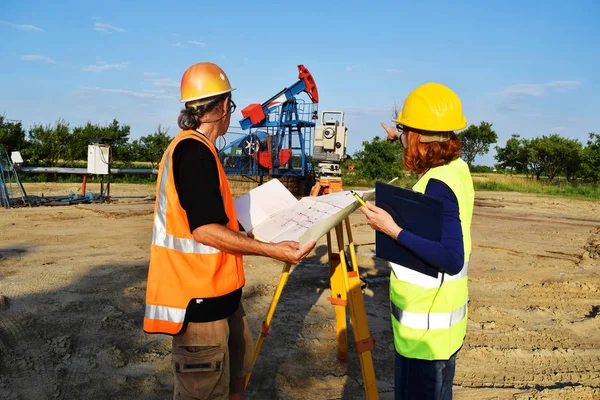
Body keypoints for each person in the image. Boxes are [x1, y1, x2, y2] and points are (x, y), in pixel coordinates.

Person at [143, 62, 315, 400]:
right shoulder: (191, 152)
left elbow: (212, 222)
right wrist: (273, 249)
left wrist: (244, 234)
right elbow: (205, 231)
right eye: (230, 107)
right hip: (198, 306)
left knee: (235, 383)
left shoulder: (202, 150)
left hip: (221, 298)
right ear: (223, 106)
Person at [360, 83, 474, 400]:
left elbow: (452, 258)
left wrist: (391, 229)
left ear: (421, 136)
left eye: (405, 129)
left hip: (425, 339)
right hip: (442, 333)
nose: (402, 136)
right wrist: (400, 135)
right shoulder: (456, 169)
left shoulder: (438, 185)